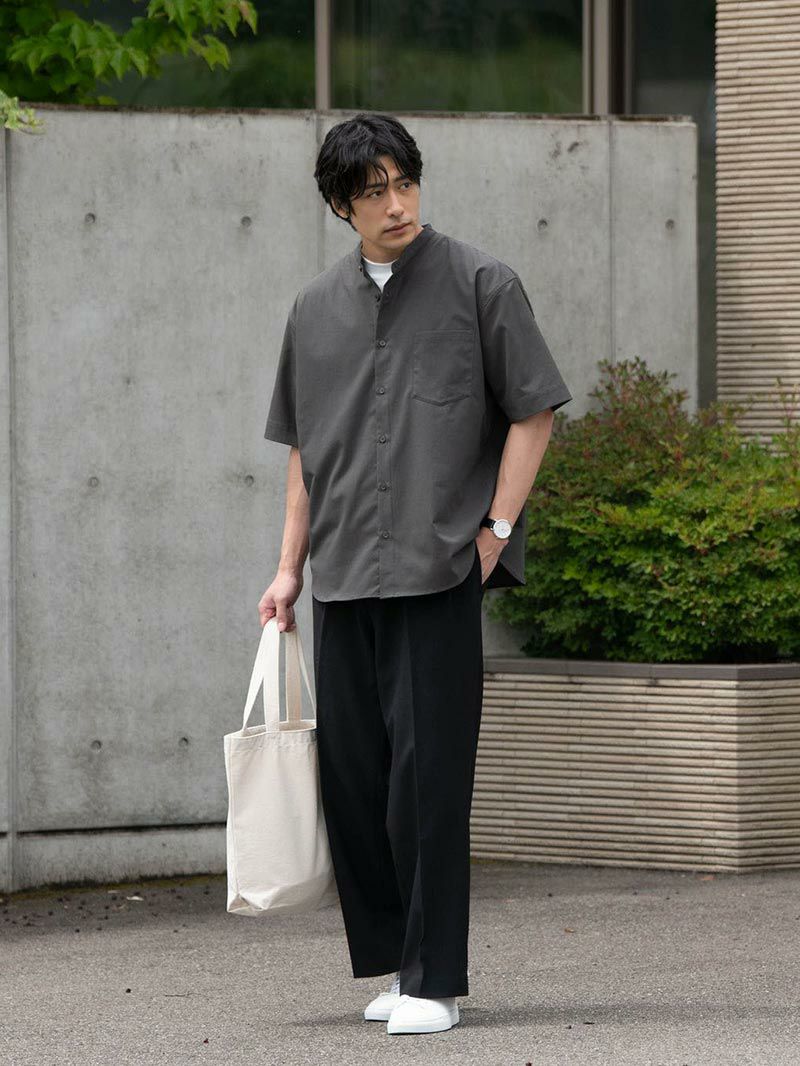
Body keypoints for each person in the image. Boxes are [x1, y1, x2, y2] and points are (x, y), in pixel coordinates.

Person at [258, 112, 572, 1035]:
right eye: (373, 192)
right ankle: (399, 965)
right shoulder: (314, 310)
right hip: (341, 574)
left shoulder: (482, 283)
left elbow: (535, 410)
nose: (396, 204)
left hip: (439, 571)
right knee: (355, 783)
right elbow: (305, 451)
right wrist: (287, 569)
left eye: (405, 183)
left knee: (426, 786)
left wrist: (497, 527)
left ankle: (436, 981)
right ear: (340, 206)